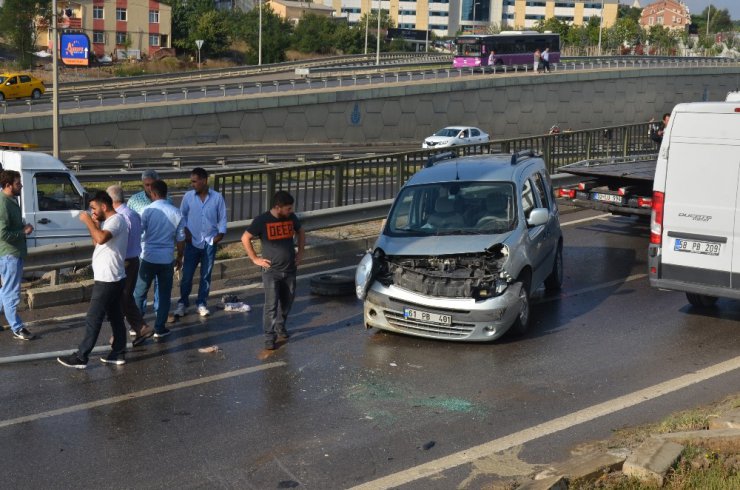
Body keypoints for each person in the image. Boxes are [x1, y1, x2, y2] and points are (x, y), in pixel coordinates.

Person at [58, 192, 129, 368]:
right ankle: (118, 352)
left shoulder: (117, 220)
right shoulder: (109, 222)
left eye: (94, 208)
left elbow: (101, 238)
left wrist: (88, 221)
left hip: (108, 279)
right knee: (115, 317)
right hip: (112, 277)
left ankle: (81, 357)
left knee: (93, 318)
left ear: (104, 206)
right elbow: (97, 242)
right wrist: (95, 224)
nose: (92, 211)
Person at [241, 191, 305, 351]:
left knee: (287, 302)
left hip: (290, 269)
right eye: (288, 208)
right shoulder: (262, 220)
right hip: (271, 271)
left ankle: (280, 327)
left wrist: (300, 253)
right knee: (271, 305)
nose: (291, 211)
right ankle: (269, 337)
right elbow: (245, 238)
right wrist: (255, 259)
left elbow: (301, 232)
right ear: (278, 207)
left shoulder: (291, 217)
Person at [133, 180, 185, 339]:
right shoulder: (177, 213)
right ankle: (160, 328)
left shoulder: (146, 211)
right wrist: (179, 257)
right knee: (163, 295)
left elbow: (139, 232)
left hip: (147, 257)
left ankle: (137, 324)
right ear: (166, 193)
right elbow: (181, 239)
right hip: (166, 259)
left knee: (140, 292)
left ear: (152, 194)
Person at [174, 167, 227, 318]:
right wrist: (186, 232)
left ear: (204, 181)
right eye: (192, 181)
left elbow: (222, 218)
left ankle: (201, 303)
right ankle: (182, 303)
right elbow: (181, 216)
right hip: (192, 243)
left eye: (195, 181)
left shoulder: (217, 198)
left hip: (209, 242)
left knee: (206, 275)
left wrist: (220, 235)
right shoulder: (188, 197)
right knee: (187, 275)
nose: (192, 184)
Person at [106, 185, 153, 346]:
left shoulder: (119, 218)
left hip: (123, 261)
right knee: (125, 298)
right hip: (133, 259)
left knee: (118, 299)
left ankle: (120, 334)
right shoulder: (132, 214)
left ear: (111, 200)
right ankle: (140, 328)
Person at [0, 170, 35, 341]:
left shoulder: (11, 200)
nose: (21, 185)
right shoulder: (3, 204)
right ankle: (17, 327)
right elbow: (2, 234)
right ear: (8, 185)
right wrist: (23, 231)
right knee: (11, 292)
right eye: (17, 183)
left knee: (5, 290)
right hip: (10, 255)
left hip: (13, 253)